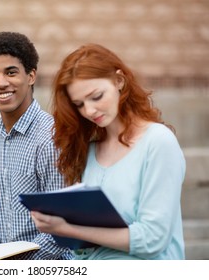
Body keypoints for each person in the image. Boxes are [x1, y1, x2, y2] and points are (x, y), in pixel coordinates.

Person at [30, 43, 186, 260]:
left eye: (96, 96)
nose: (89, 110)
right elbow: (84, 248)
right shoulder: (90, 149)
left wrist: (67, 229)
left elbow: (152, 239)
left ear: (119, 81)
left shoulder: (158, 142)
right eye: (79, 104)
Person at [0, 31, 73, 260]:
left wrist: (10, 260)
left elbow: (64, 231)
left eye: (11, 72)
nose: (1, 83)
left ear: (31, 76)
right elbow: (6, 215)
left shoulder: (51, 138)